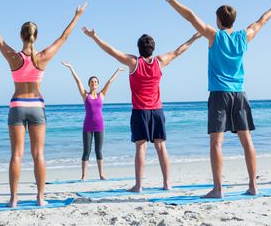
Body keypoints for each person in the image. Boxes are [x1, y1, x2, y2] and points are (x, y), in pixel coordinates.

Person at [151, 0, 271, 198]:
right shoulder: (245, 36)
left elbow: (190, 16)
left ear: (218, 20)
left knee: (216, 142)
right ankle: (253, 186)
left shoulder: (214, 36)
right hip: (240, 94)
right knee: (246, 140)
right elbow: (262, 21)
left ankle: (218, 189)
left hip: (219, 94)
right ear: (233, 20)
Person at [0, 0, 86, 207]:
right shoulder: (42, 57)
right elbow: (64, 37)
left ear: (21, 36)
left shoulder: (13, 57)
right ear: (36, 36)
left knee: (16, 154)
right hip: (36, 107)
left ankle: (14, 199)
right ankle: (40, 198)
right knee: (38, 154)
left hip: (17, 105)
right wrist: (77, 16)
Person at [82, 26, 201, 192]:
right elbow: (178, 51)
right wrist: (193, 39)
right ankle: (167, 183)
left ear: (139, 48)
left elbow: (111, 51)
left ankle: (138, 186)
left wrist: (95, 37)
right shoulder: (160, 62)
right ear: (153, 48)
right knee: (161, 146)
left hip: (140, 111)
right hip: (157, 111)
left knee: (141, 147)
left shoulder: (133, 62)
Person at [61, 61, 124, 180]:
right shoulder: (85, 95)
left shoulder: (102, 95)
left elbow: (109, 82)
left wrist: (118, 71)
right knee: (86, 151)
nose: (93, 83)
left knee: (99, 151)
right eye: (91, 82)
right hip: (87, 127)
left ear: (98, 84)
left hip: (99, 126)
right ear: (89, 85)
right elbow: (78, 81)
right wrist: (71, 67)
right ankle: (83, 176)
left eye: (95, 82)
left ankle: (101, 175)